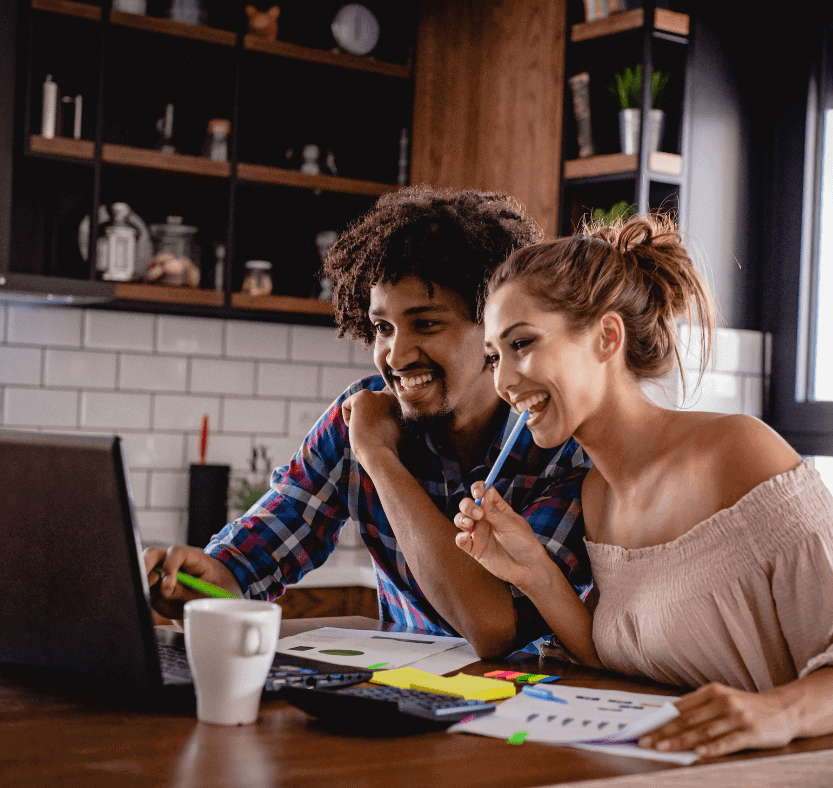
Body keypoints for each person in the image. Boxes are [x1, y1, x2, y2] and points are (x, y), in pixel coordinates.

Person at [453, 213, 833, 779]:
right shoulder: (599, 495)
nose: (503, 381)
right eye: (494, 356)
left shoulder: (736, 453)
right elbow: (618, 653)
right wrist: (533, 571)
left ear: (607, 337)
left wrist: (775, 712)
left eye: (522, 344)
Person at [144, 186, 592, 658]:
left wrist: (379, 458)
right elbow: (251, 561)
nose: (395, 356)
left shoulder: (559, 444)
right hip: (403, 689)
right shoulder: (358, 417)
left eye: (426, 324)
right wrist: (201, 584)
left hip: (531, 694)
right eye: (383, 328)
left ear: (493, 328)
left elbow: (495, 627)